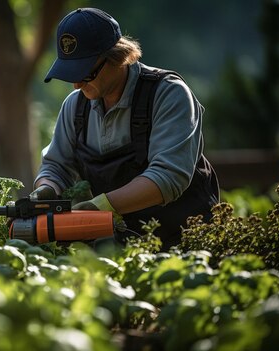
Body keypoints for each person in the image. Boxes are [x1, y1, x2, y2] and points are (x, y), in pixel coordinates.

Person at [31, 8, 219, 250]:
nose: (77, 84)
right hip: (128, 252)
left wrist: (99, 206)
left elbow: (168, 178)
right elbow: (56, 166)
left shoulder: (169, 95)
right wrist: (47, 188)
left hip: (192, 246)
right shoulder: (75, 106)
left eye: (85, 73)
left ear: (118, 57)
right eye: (70, 74)